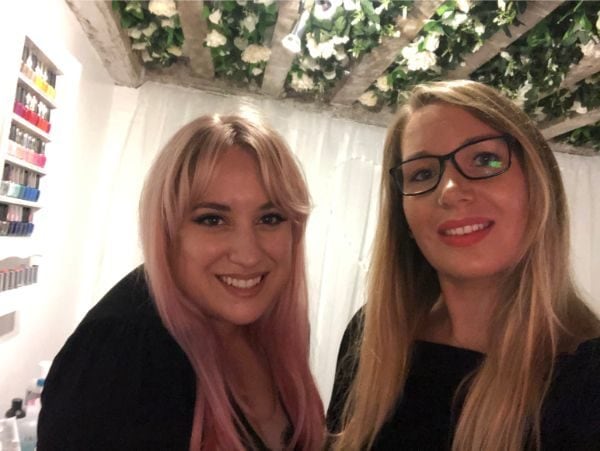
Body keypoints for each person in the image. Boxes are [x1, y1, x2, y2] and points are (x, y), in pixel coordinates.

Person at [327, 80, 600, 450]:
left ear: (538, 185)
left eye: (485, 159)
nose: (451, 191)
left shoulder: (588, 379)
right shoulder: (370, 336)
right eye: (422, 173)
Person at [38, 114, 324, 450]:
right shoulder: (122, 352)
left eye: (270, 218)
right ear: (167, 230)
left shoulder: (271, 326)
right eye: (213, 220)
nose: (248, 255)